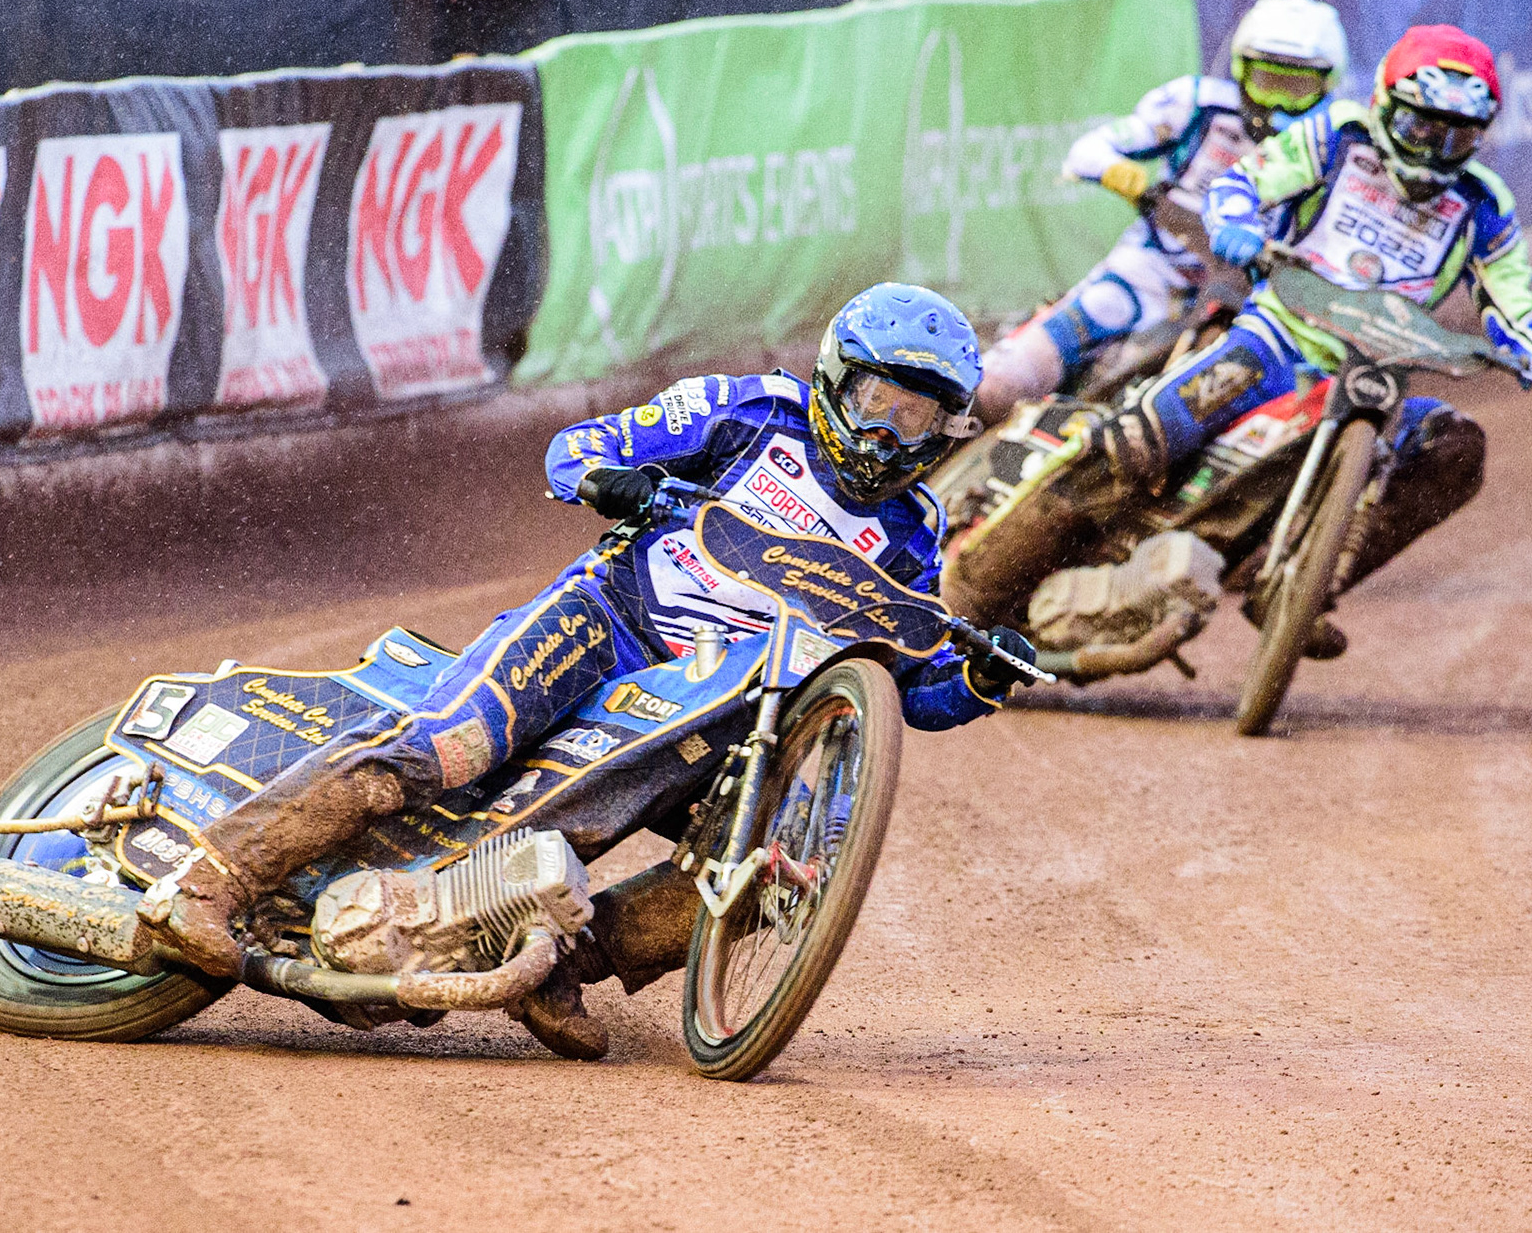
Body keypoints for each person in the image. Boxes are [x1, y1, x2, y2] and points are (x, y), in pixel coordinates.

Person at [144, 283, 1037, 1058]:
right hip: (607, 623)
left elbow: (907, 686)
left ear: (946, 428)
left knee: (777, 869)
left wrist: (981, 681)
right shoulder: (751, 410)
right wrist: (617, 482)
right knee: (449, 745)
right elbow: (578, 447)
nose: (887, 433)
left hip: (719, 711)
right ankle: (211, 878)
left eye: (916, 417)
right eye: (878, 401)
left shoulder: (916, 533)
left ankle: (562, 964)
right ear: (836, 381)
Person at [1088, 23, 1532, 658]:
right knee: (1142, 436)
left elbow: (1514, 292)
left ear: (1480, 136)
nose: (1434, 150)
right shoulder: (1340, 135)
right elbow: (1244, 181)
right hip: (1279, 336)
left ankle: (1303, 590)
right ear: (1385, 106)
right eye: (1420, 127)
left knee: (1454, 446)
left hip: (1376, 371)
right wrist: (1235, 221)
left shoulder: (1483, 202)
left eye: (1456, 135)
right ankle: (1014, 555)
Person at [972, 0, 1349, 423]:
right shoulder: (1198, 103)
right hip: (1151, 272)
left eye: (1295, 87)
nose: (1276, 102)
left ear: (1326, 84)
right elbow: (1087, 151)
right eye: (1267, 81)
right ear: (1241, 70)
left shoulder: (1338, 146)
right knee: (1002, 383)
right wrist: (1123, 176)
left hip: (1251, 303)